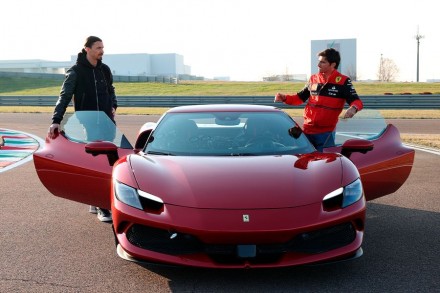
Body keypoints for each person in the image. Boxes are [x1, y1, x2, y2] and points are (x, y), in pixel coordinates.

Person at [48, 36, 117, 222]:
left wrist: (113, 106)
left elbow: (111, 89)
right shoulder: (75, 72)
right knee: (98, 165)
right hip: (88, 124)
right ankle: (102, 206)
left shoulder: (105, 69)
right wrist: (56, 120)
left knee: (111, 163)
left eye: (103, 47)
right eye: (98, 47)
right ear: (87, 49)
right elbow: (64, 96)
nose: (102, 51)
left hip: (107, 122)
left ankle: (98, 201)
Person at [274, 48, 363, 152]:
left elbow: (357, 101)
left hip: (326, 134)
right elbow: (299, 98)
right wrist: (285, 98)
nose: (318, 65)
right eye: (319, 61)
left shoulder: (343, 81)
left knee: (325, 164)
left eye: (322, 62)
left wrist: (353, 108)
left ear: (333, 65)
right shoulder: (313, 79)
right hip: (307, 131)